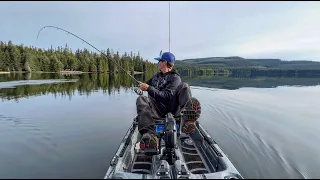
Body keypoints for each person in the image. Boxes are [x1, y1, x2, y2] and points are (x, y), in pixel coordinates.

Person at [136, 51, 201, 150]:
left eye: (160, 61)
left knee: (184, 86)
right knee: (141, 99)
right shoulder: (156, 76)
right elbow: (146, 84)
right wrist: (141, 86)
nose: (158, 63)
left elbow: (167, 96)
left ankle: (188, 120)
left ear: (165, 62)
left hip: (172, 110)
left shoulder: (175, 78)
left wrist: (149, 88)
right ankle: (150, 135)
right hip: (156, 110)